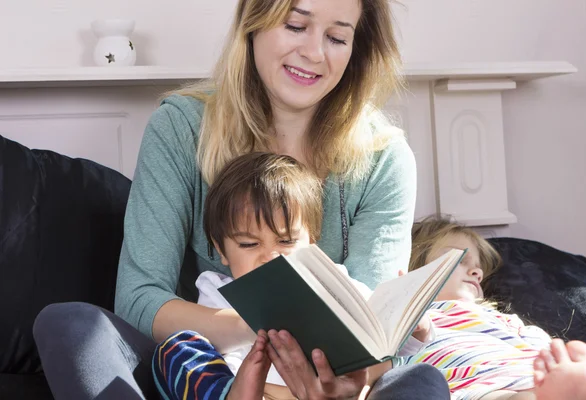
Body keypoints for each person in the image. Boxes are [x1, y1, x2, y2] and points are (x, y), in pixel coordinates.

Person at [32, 0, 452, 399]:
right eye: (295, 25)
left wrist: (351, 378)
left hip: (332, 378)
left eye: (337, 38)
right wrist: (265, 329)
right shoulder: (180, 129)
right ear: (253, 22)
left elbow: (373, 329)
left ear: (356, 50)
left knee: (421, 381)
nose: (313, 53)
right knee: (69, 325)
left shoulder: (385, 159)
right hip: (202, 370)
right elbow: (140, 298)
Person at [153, 152, 436, 400]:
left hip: (339, 390)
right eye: (249, 244)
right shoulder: (218, 290)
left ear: (311, 242)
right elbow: (217, 355)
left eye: (286, 242)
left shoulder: (333, 281)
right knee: (177, 349)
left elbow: (381, 341)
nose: (270, 256)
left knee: (422, 376)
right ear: (221, 250)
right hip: (261, 392)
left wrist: (415, 328)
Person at [400, 216, 586, 400]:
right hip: (479, 387)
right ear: (417, 267)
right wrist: (417, 323)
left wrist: (560, 363)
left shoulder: (501, 317)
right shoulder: (417, 315)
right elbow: (394, 359)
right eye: (460, 260)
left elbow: (538, 347)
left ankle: (577, 386)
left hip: (533, 377)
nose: (477, 272)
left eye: (479, 268)